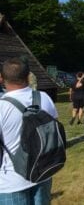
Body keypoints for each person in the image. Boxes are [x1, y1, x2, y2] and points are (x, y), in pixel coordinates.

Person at [0, 57, 58, 204]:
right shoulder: (44, 98)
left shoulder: (1, 107)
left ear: (1, 78)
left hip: (11, 181)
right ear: (27, 76)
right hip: (43, 171)